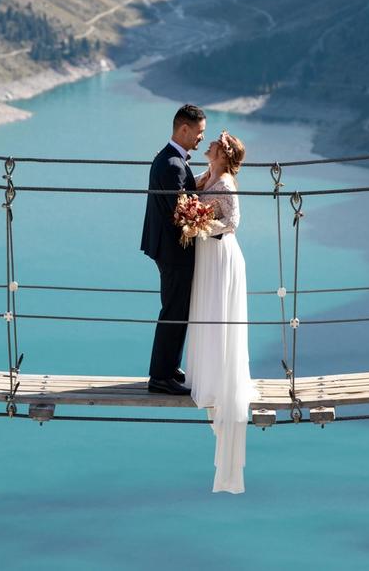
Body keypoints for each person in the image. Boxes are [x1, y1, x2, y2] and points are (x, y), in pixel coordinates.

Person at [186, 130, 257, 494]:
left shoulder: (226, 182)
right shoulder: (206, 176)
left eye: (214, 143)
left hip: (222, 257)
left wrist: (201, 226)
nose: (208, 144)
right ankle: (207, 376)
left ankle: (219, 382)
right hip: (207, 257)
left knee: (219, 319)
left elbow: (233, 224)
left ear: (223, 155)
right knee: (207, 316)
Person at [141, 104, 206, 395]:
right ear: (184, 129)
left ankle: (170, 368)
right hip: (173, 251)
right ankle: (160, 377)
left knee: (178, 308)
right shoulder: (172, 164)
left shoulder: (170, 159)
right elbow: (180, 212)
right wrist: (211, 218)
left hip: (167, 249)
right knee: (173, 310)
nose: (201, 138)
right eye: (199, 132)